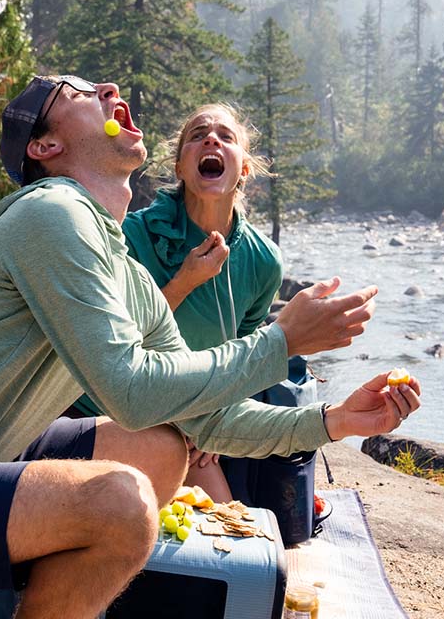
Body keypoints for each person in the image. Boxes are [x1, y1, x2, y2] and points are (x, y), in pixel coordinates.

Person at [0, 74, 422, 619]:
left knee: (158, 446)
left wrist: (332, 421)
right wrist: (279, 340)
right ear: (46, 147)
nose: (110, 92)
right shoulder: (50, 213)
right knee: (123, 502)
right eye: (80, 92)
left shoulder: (117, 260)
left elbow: (204, 417)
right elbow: (127, 389)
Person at [71, 103, 285, 505]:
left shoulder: (262, 261)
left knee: (225, 527)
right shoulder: (133, 236)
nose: (211, 139)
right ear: (180, 168)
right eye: (198, 134)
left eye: (226, 136)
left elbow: (245, 356)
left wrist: (218, 419)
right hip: (111, 412)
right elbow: (112, 348)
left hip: (191, 421)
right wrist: (185, 282)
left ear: (244, 169)